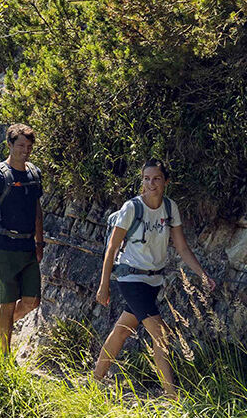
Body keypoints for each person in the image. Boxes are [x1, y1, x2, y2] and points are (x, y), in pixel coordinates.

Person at [91, 159, 215, 399]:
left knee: (122, 331)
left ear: (166, 181)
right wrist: (103, 285)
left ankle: (94, 381)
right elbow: (112, 248)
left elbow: (181, 247)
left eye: (156, 178)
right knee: (161, 334)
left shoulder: (170, 208)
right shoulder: (132, 208)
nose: (151, 184)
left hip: (153, 282)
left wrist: (202, 274)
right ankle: (172, 397)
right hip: (130, 278)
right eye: (146, 179)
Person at [0, 123, 45, 354]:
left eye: (29, 146)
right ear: (10, 144)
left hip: (27, 246)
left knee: (33, 301)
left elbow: (37, 209)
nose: (26, 150)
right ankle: (4, 356)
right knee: (7, 301)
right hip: (2, 246)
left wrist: (39, 242)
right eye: (21, 145)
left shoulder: (33, 174)